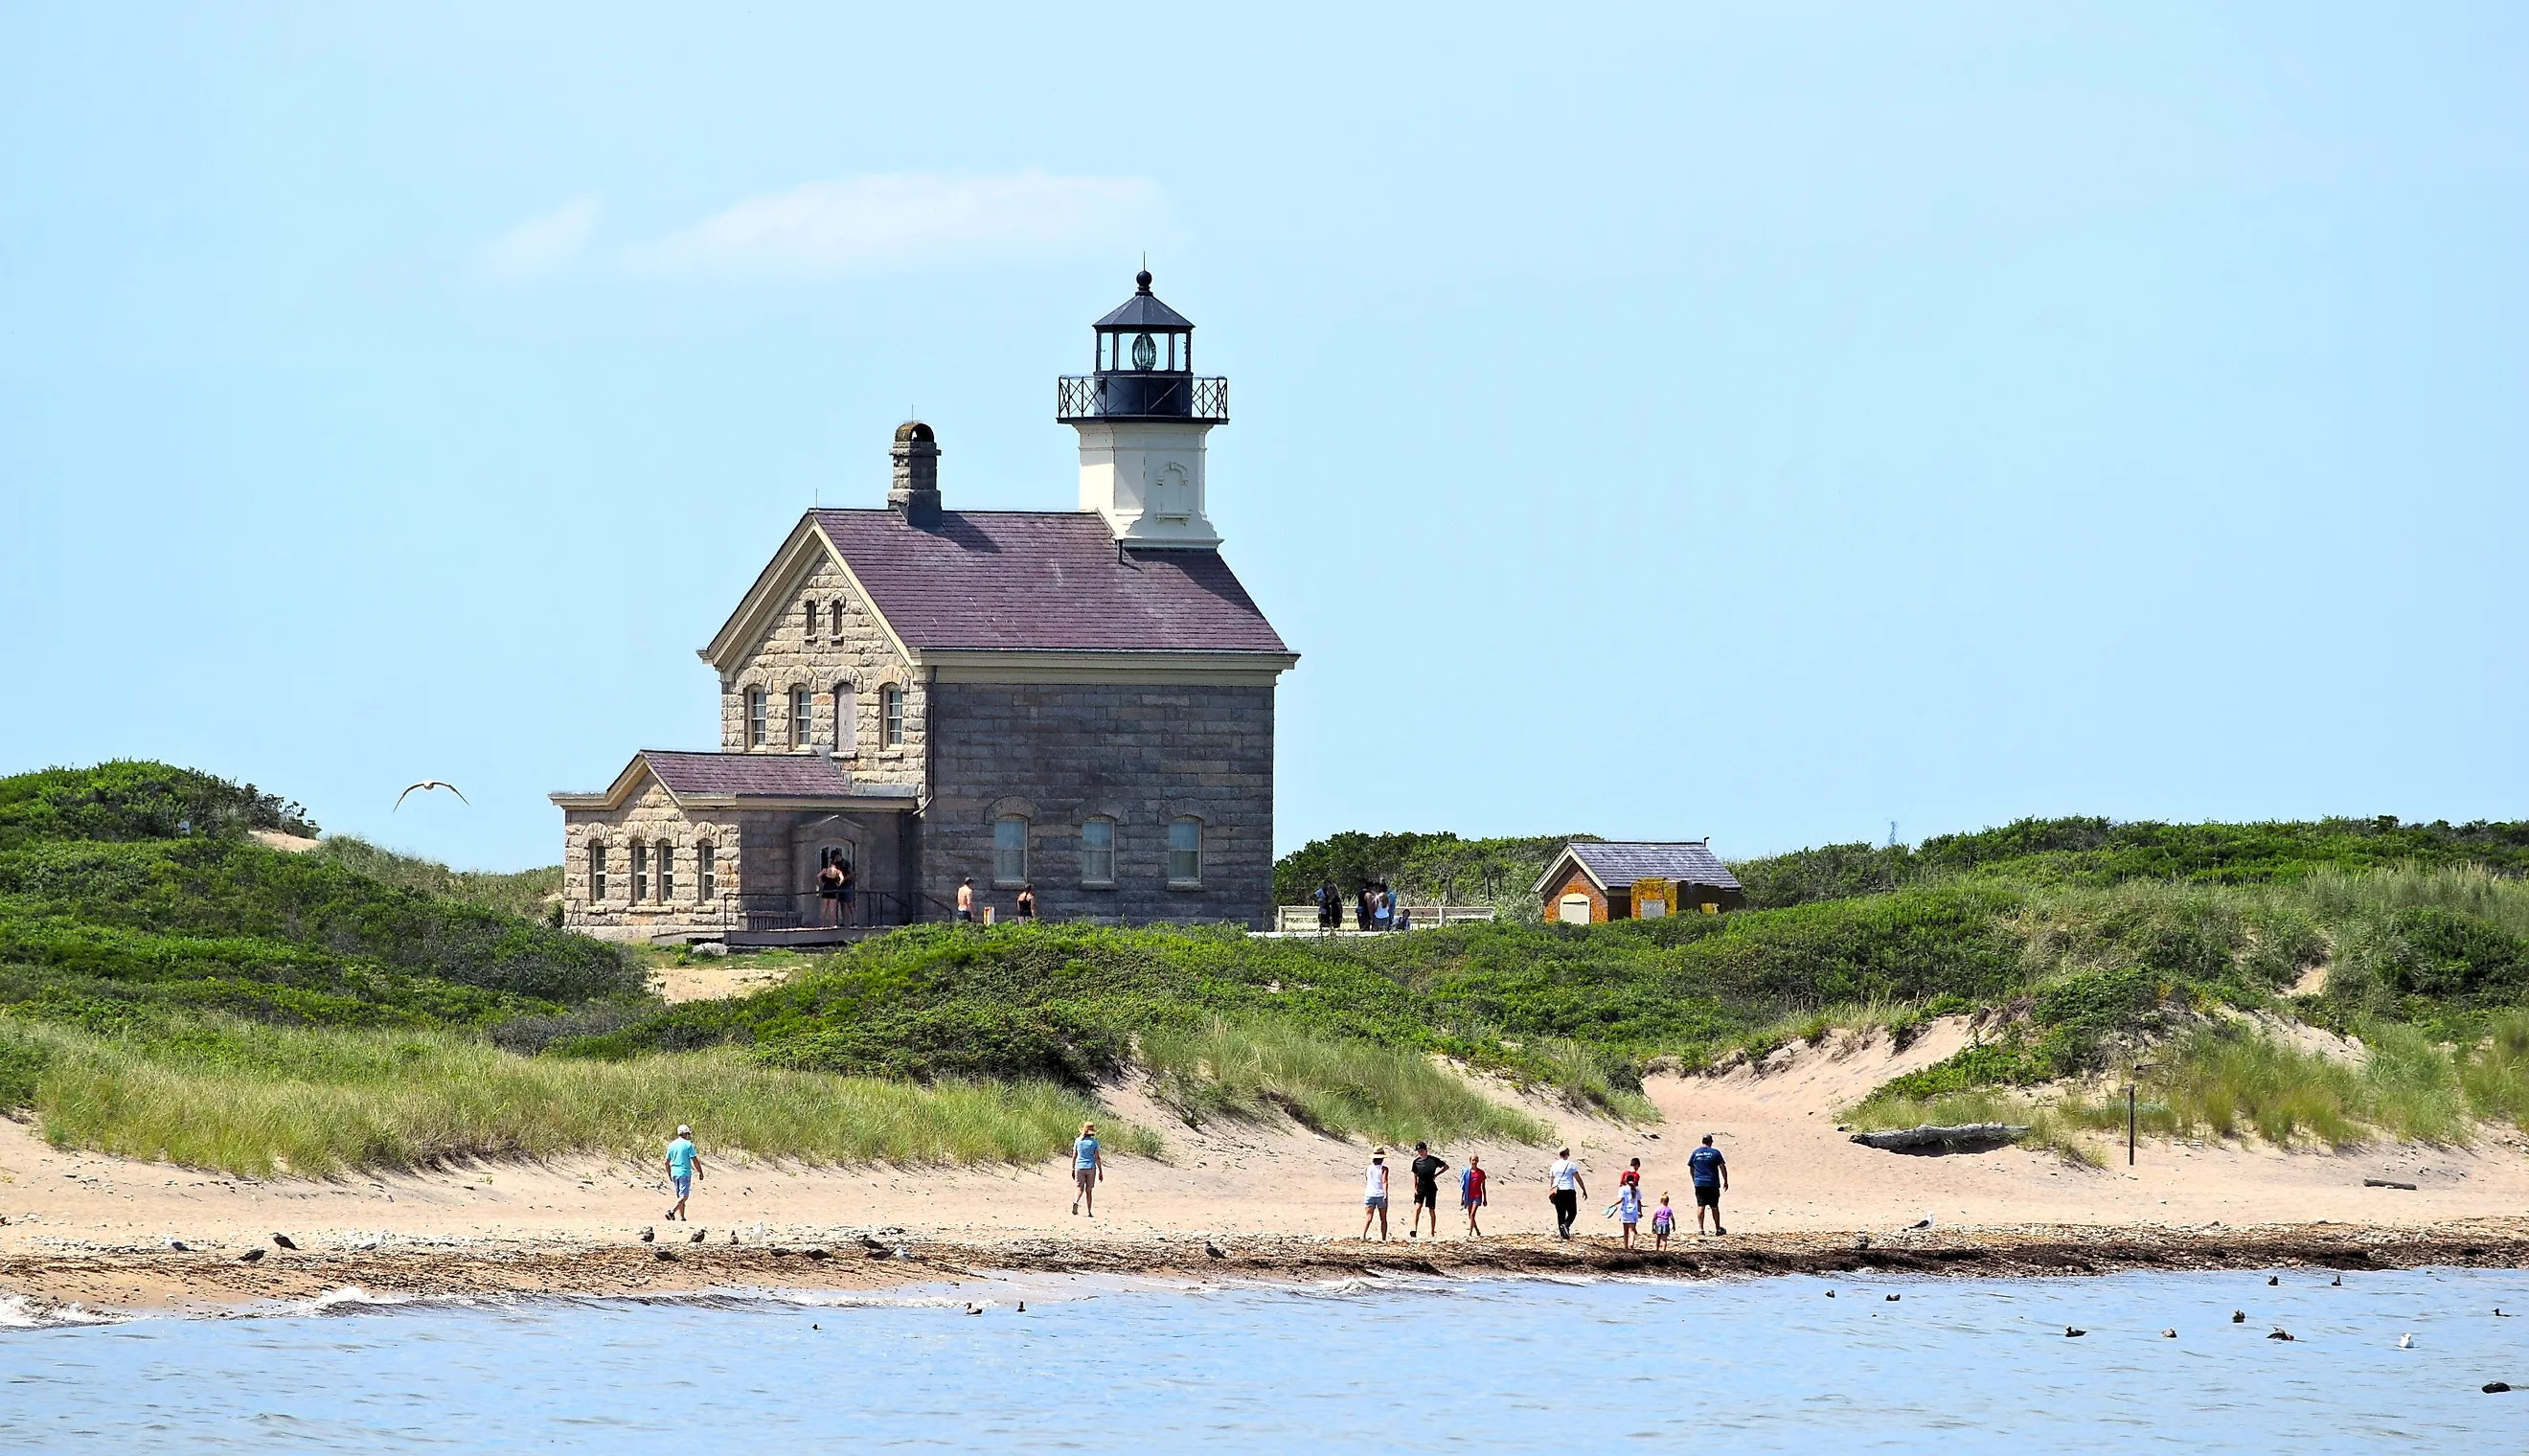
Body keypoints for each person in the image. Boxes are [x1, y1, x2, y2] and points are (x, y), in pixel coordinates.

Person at [1689, 1133, 1729, 1235]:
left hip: (1699, 1182)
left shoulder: (1695, 1153)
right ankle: (1718, 1228)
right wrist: (1725, 1180)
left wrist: (1694, 1179)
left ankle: (1701, 1229)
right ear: (1711, 1142)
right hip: (1712, 1183)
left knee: (1701, 1205)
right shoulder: (1715, 1153)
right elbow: (1722, 1167)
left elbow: (1691, 1168)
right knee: (1714, 1206)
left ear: (1702, 1141)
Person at [1408, 1141, 1449, 1239]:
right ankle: (1414, 1229)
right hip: (1420, 1187)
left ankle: (1432, 1232)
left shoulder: (1433, 1160)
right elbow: (1415, 1175)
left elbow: (1446, 1167)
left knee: (1431, 1210)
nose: (1420, 1153)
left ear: (1426, 1150)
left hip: (1431, 1187)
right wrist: (1415, 1188)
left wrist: (1436, 1175)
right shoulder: (1416, 1162)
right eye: (1418, 1151)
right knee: (1418, 1207)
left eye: (1421, 1150)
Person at [663, 1125, 701, 1221]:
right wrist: (700, 1171)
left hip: (674, 1173)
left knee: (680, 1197)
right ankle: (671, 1212)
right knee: (684, 1196)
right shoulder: (688, 1145)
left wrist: (669, 1173)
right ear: (686, 1134)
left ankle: (682, 1218)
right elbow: (695, 1160)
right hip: (684, 1172)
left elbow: (666, 1162)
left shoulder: (671, 1145)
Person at [1547, 1148, 1585, 1240]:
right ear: (1567, 1154)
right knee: (1572, 1212)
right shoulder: (1571, 1165)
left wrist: (1551, 1192)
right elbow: (1578, 1178)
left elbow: (1552, 1181)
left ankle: (1563, 1235)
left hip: (1557, 1191)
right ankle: (1566, 1226)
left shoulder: (1554, 1166)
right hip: (1568, 1190)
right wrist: (1583, 1189)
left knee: (1560, 1213)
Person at [1071, 1121, 1103, 1217]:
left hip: (1079, 1167)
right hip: (1090, 1167)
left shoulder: (1078, 1141)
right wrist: (1100, 1171)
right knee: (1089, 1190)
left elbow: (1074, 1156)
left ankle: (1076, 1201)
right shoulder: (1094, 1142)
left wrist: (1072, 1168)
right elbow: (1097, 1157)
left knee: (1079, 1188)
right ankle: (1089, 1211)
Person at [1360, 1149, 1391, 1240]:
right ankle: (1383, 1238)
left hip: (1369, 1194)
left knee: (1368, 1217)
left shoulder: (1368, 1168)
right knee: (1383, 1219)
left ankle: (1364, 1234)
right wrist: (1386, 1194)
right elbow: (1384, 1182)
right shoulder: (1384, 1169)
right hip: (1380, 1194)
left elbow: (1368, 1180)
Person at [1460, 1154, 1489, 1237]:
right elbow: (1464, 1186)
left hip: (1477, 1196)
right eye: (1473, 1160)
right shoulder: (1467, 1173)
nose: (1474, 1162)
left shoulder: (1481, 1173)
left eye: (1476, 1160)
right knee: (1470, 1215)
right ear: (1470, 1161)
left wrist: (1485, 1199)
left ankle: (1470, 1233)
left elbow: (1483, 1187)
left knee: (1472, 1214)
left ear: (1478, 1161)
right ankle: (1477, 1230)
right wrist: (1462, 1199)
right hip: (1468, 1196)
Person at [816, 853, 845, 926]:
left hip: (826, 887)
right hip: (833, 888)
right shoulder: (837, 871)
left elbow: (818, 876)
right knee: (832, 908)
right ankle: (832, 924)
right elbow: (842, 878)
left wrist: (821, 884)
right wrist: (839, 884)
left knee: (824, 907)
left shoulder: (825, 870)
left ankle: (823, 924)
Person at [1615, 1177, 1643, 1248]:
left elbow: (1621, 1200)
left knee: (1625, 1230)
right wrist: (1640, 1211)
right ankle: (1632, 1244)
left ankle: (1625, 1246)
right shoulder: (1637, 1189)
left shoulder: (1623, 1189)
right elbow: (1639, 1201)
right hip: (1634, 1211)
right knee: (1632, 1230)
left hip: (1625, 1211)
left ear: (1625, 1181)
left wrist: (1613, 1205)